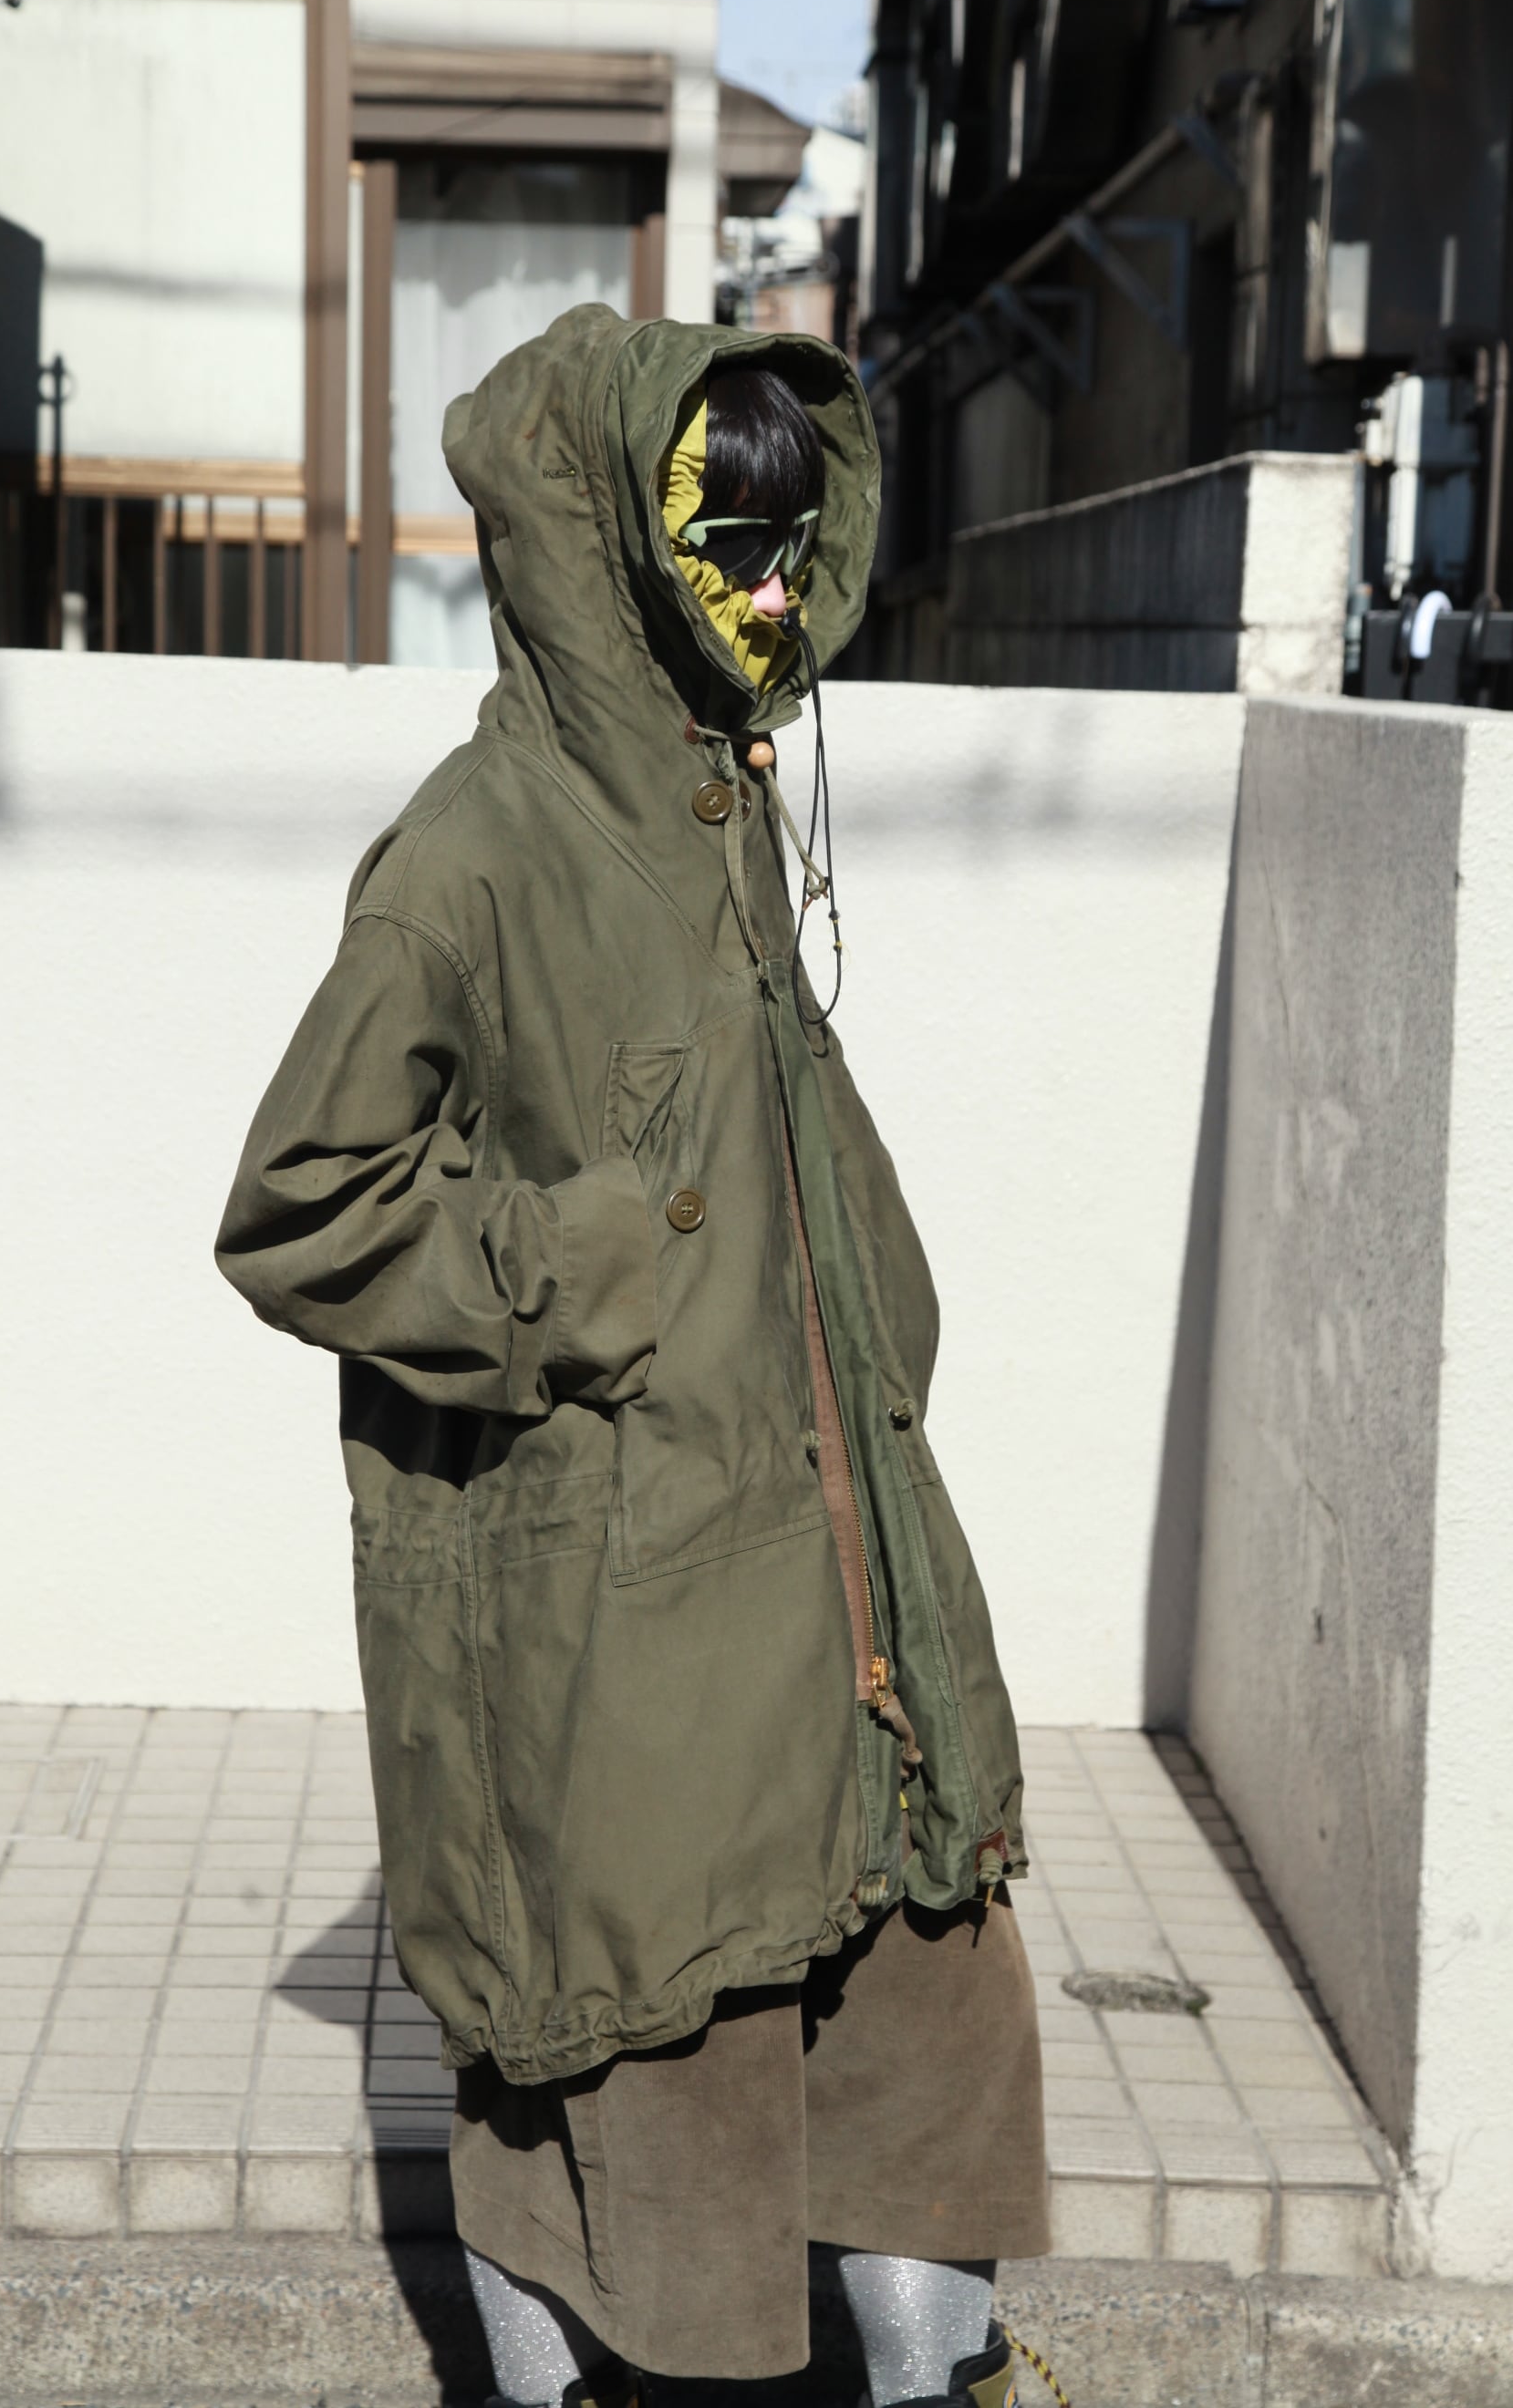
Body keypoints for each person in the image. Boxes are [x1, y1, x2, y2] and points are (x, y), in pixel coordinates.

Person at [216, 306, 1047, 2408]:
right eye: (723, 544)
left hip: (840, 1610)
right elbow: (302, 1208)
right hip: (628, 1646)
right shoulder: (473, 853)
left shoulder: (718, 802)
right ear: (604, 542)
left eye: (789, 546)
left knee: (922, 2043)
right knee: (638, 2115)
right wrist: (599, 1263)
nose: (769, 593)